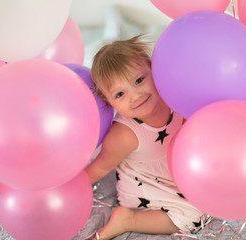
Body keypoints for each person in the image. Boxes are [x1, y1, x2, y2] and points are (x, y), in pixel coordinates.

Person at [85, 34, 208, 240]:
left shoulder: (174, 95)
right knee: (192, 216)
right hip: (148, 184)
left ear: (153, 68)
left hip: (181, 169)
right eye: (120, 94)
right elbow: (102, 166)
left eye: (139, 80)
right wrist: (74, 184)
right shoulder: (124, 134)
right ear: (108, 102)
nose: (135, 96)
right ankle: (127, 220)